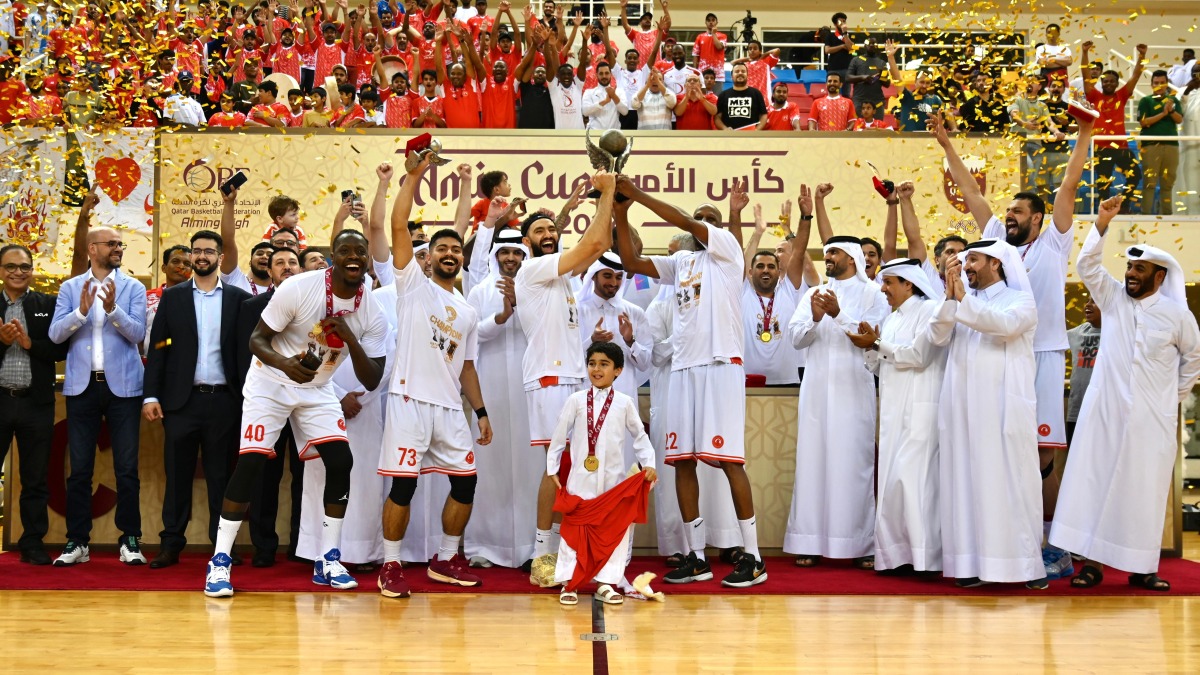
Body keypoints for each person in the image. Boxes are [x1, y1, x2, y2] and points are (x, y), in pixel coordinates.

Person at [932, 108, 1093, 581]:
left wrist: (1084, 133)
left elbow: (1068, 186)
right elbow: (972, 193)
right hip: (995, 353)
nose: (1008, 217)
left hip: (1041, 352)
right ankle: (998, 545)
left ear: (1037, 218)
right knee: (997, 448)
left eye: (1018, 212)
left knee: (1041, 457)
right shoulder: (995, 245)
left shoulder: (1054, 242)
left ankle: (1054, 545)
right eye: (1008, 213)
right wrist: (947, 147)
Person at [203, 225, 389, 598]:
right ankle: (219, 561)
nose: (353, 257)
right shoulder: (299, 288)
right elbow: (257, 340)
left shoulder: (372, 310)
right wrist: (285, 364)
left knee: (341, 461)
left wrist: (350, 339)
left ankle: (328, 558)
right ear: (333, 257)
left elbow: (372, 379)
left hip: (317, 387)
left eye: (360, 252)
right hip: (270, 382)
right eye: (345, 251)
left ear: (367, 259)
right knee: (251, 463)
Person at [612, 175, 768, 588]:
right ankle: (696, 557)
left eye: (709, 218)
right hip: (683, 369)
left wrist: (637, 194)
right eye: (700, 217)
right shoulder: (681, 263)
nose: (702, 223)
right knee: (681, 461)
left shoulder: (727, 251)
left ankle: (754, 557)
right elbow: (631, 262)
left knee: (729, 461)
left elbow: (683, 220)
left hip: (720, 365)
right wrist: (621, 211)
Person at [1052, 196, 1200, 592]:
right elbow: (1087, 265)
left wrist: (1171, 398)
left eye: (1140, 269)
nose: (1131, 274)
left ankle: (1143, 568)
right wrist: (1102, 223)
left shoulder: (1178, 316)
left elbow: (1193, 360)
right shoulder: (1113, 299)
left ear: (1159, 277)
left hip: (1152, 422)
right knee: (1095, 486)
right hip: (1104, 414)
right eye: (1130, 267)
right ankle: (1092, 566)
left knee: (1142, 493)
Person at [372, 153, 495, 598]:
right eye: (441, 248)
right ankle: (390, 564)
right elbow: (398, 224)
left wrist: (480, 411)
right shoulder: (412, 287)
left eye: (456, 249)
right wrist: (414, 175)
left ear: (462, 259)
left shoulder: (467, 309)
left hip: (449, 407)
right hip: (409, 401)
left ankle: (445, 558)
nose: (449, 253)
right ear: (427, 258)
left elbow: (467, 366)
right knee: (403, 487)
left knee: (467, 482)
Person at [517, 173, 616, 585]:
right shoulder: (533, 269)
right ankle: (542, 556)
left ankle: (567, 551)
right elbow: (593, 245)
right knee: (556, 467)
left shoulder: (565, 280)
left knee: (576, 468)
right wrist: (607, 192)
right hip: (550, 379)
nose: (547, 234)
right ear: (526, 242)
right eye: (538, 230)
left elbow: (598, 243)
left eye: (551, 229)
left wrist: (604, 199)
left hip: (573, 379)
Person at [930, 238, 1045, 589]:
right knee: (965, 483)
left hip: (1002, 412)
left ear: (996, 263)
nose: (966, 267)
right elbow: (937, 336)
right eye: (964, 262)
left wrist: (963, 300)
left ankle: (1024, 567)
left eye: (973, 260)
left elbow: (1004, 327)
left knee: (1011, 484)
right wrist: (951, 299)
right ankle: (970, 564)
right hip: (963, 412)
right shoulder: (963, 301)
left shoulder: (1020, 301)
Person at [785, 184, 890, 570]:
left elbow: (871, 338)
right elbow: (796, 338)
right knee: (813, 463)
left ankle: (859, 544)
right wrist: (815, 318)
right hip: (816, 390)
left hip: (854, 389)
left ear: (852, 258)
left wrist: (837, 314)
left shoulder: (875, 294)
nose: (827, 258)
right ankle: (810, 541)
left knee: (853, 464)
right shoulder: (814, 293)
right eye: (826, 253)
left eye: (833, 254)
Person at [142, 231, 250, 569]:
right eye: (197, 250)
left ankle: (223, 548)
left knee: (221, 479)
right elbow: (158, 347)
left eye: (209, 251)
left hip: (225, 402)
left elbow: (246, 353)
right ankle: (171, 545)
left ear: (220, 257)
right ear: (191, 256)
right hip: (180, 403)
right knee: (177, 477)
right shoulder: (173, 297)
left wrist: (249, 398)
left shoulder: (238, 298)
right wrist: (151, 395)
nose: (202, 256)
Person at [49, 227, 147, 566]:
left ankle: (130, 538)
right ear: (93, 248)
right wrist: (80, 312)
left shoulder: (133, 287)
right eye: (112, 244)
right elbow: (55, 334)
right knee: (79, 470)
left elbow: (137, 333)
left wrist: (113, 309)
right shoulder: (71, 288)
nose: (118, 248)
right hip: (82, 387)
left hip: (124, 389)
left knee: (127, 469)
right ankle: (77, 541)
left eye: (121, 244)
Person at [849, 258, 947, 574]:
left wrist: (876, 343)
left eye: (889, 282)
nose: (883, 289)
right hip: (893, 412)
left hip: (920, 409)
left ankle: (925, 560)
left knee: (915, 482)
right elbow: (879, 365)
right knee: (892, 484)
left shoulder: (930, 310)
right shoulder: (891, 318)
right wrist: (869, 345)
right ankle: (897, 557)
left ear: (909, 283)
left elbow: (920, 355)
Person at [547, 341, 657, 606]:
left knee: (614, 531)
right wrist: (552, 468)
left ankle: (606, 582)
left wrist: (649, 463)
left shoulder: (624, 403)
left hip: (612, 483)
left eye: (604, 364)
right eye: (592, 363)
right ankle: (569, 582)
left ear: (618, 370)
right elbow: (559, 436)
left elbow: (640, 436)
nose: (596, 369)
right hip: (579, 481)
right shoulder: (575, 400)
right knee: (574, 529)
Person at [464, 224, 537, 569]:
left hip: (528, 387)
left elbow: (547, 330)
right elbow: (470, 335)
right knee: (489, 466)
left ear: (524, 256)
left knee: (531, 465)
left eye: (516, 253)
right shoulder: (480, 291)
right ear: (496, 256)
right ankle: (486, 544)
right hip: (489, 386)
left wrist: (521, 306)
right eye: (504, 253)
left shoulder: (537, 289)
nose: (510, 258)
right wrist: (501, 317)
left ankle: (534, 545)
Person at [231, 245, 306, 567]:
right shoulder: (252, 307)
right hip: (267, 401)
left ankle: (302, 545)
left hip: (306, 401)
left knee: (305, 476)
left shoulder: (315, 304)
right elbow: (241, 356)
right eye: (280, 263)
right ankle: (264, 546)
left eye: (292, 262)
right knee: (264, 476)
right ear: (269, 271)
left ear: (301, 269)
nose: (287, 266)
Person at [0, 244, 68, 565]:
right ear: (1, 271)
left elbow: (60, 350)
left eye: (24, 267)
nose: (18, 272)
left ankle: (32, 542)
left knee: (36, 478)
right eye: (11, 266)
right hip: (1, 400)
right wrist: (2, 343)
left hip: (36, 404)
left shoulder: (48, 305)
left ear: (32, 270)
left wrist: (30, 344)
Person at [740, 204, 814, 386]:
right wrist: (758, 233)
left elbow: (799, 253)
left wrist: (805, 217)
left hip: (787, 381)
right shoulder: (743, 291)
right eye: (760, 266)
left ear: (778, 270)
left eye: (771, 266)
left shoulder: (788, 290)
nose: (766, 270)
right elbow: (743, 260)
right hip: (747, 380)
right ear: (750, 272)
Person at [1084, 41, 1147, 209]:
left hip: (1121, 146)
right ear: (1101, 83)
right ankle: (1104, 210)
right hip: (1101, 147)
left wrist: (1142, 56)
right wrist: (1084, 53)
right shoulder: (1094, 97)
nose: (1109, 84)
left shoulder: (1122, 96)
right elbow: (1085, 77)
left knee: (1135, 175)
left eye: (1112, 81)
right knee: (1103, 183)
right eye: (1106, 81)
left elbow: (1135, 76)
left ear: (1117, 83)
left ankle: (1123, 205)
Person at [1136, 70, 1183, 215]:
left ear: (1167, 84)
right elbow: (1144, 122)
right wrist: (1163, 113)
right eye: (1156, 83)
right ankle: (1145, 215)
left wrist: (1171, 111)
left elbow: (1179, 119)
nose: (1159, 86)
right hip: (1151, 146)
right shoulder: (1146, 101)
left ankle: (1167, 216)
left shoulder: (1173, 101)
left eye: (1162, 83)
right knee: (1149, 183)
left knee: (1168, 184)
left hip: (1171, 145)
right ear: (1151, 85)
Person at [144, 245, 193, 354]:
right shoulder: (146, 297)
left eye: (187, 264)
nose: (181, 266)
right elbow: (137, 334)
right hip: (150, 361)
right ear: (164, 268)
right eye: (175, 261)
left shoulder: (198, 300)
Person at [885, 41, 943, 132]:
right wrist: (891, 57)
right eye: (922, 82)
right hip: (908, 137)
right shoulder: (907, 96)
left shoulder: (936, 99)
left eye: (928, 83)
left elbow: (943, 119)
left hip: (929, 138)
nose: (924, 85)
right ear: (915, 82)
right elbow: (897, 79)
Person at [1065, 297, 1101, 445]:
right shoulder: (1078, 332)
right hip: (1077, 410)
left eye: (1094, 301)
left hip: (1104, 412)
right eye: (1087, 301)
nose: (1088, 305)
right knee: (1074, 456)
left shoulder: (1119, 333)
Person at [715, 63, 767, 131]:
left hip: (751, 135)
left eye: (743, 71)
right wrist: (724, 128)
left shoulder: (756, 93)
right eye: (737, 71)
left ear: (747, 75)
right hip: (730, 136)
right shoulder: (723, 95)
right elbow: (717, 117)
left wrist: (757, 130)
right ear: (731, 76)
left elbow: (764, 115)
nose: (740, 73)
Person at [729, 39, 780, 105]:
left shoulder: (766, 61)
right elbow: (732, 62)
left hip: (763, 98)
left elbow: (777, 50)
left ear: (760, 51)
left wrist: (763, 55)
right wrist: (747, 59)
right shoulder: (746, 65)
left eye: (755, 48)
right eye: (750, 49)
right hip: (748, 97)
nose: (752, 50)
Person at [582, 60, 628, 130]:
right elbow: (585, 111)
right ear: (596, 74)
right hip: (594, 133)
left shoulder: (619, 91)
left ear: (610, 74)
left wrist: (614, 96)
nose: (604, 76)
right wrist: (605, 102)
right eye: (601, 73)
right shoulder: (589, 92)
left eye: (606, 73)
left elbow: (625, 112)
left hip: (613, 134)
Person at [846, 37, 887, 115]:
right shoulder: (856, 60)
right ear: (865, 46)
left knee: (878, 123)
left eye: (874, 44)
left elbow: (887, 84)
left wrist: (882, 75)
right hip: (860, 100)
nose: (871, 45)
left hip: (877, 101)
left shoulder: (882, 63)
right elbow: (848, 78)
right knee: (859, 123)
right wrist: (862, 77)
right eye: (869, 43)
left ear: (877, 46)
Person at [691, 13, 727, 93]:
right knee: (702, 97)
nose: (711, 22)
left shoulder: (722, 36)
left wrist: (713, 33)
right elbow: (695, 55)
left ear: (716, 22)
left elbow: (719, 47)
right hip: (703, 75)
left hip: (718, 75)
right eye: (708, 20)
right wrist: (696, 73)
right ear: (705, 22)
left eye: (713, 20)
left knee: (717, 98)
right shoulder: (700, 37)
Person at [824, 13, 854, 80]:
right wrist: (842, 46)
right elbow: (827, 50)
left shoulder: (851, 35)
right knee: (832, 86)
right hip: (833, 68)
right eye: (840, 21)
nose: (842, 23)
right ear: (835, 24)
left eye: (844, 21)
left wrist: (845, 33)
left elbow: (851, 48)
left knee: (846, 87)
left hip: (847, 68)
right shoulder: (830, 36)